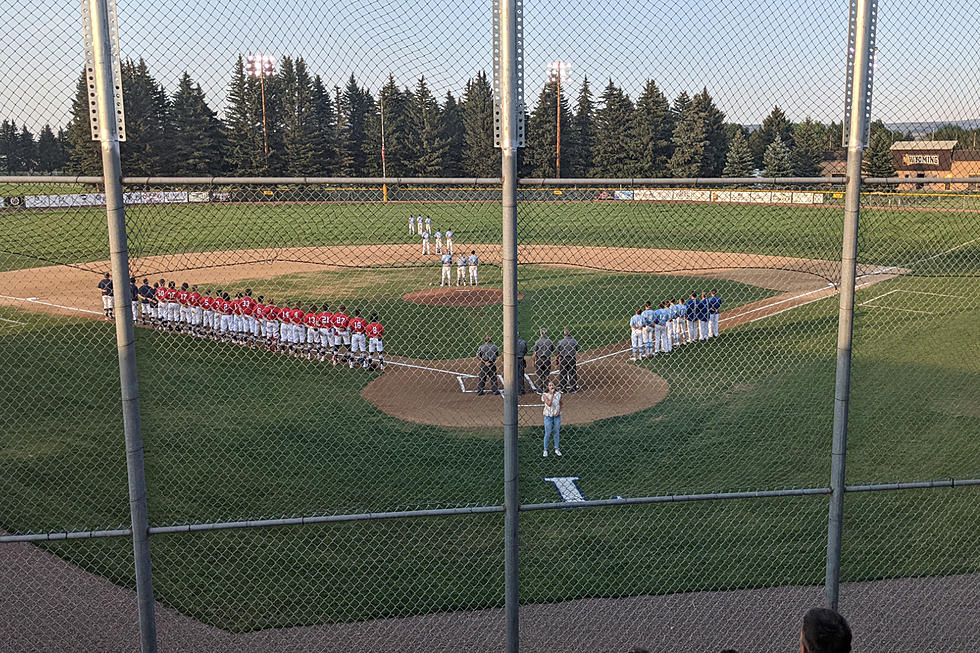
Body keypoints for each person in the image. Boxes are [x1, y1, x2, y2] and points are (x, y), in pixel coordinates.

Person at [541, 381, 562, 457]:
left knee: (556, 432)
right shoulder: (544, 395)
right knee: (548, 433)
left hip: (557, 416)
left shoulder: (558, 394)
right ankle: (545, 450)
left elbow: (561, 403)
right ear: (547, 387)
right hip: (548, 417)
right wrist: (552, 394)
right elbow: (549, 404)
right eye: (550, 385)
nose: (551, 386)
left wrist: (559, 411)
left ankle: (556, 449)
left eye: (552, 385)